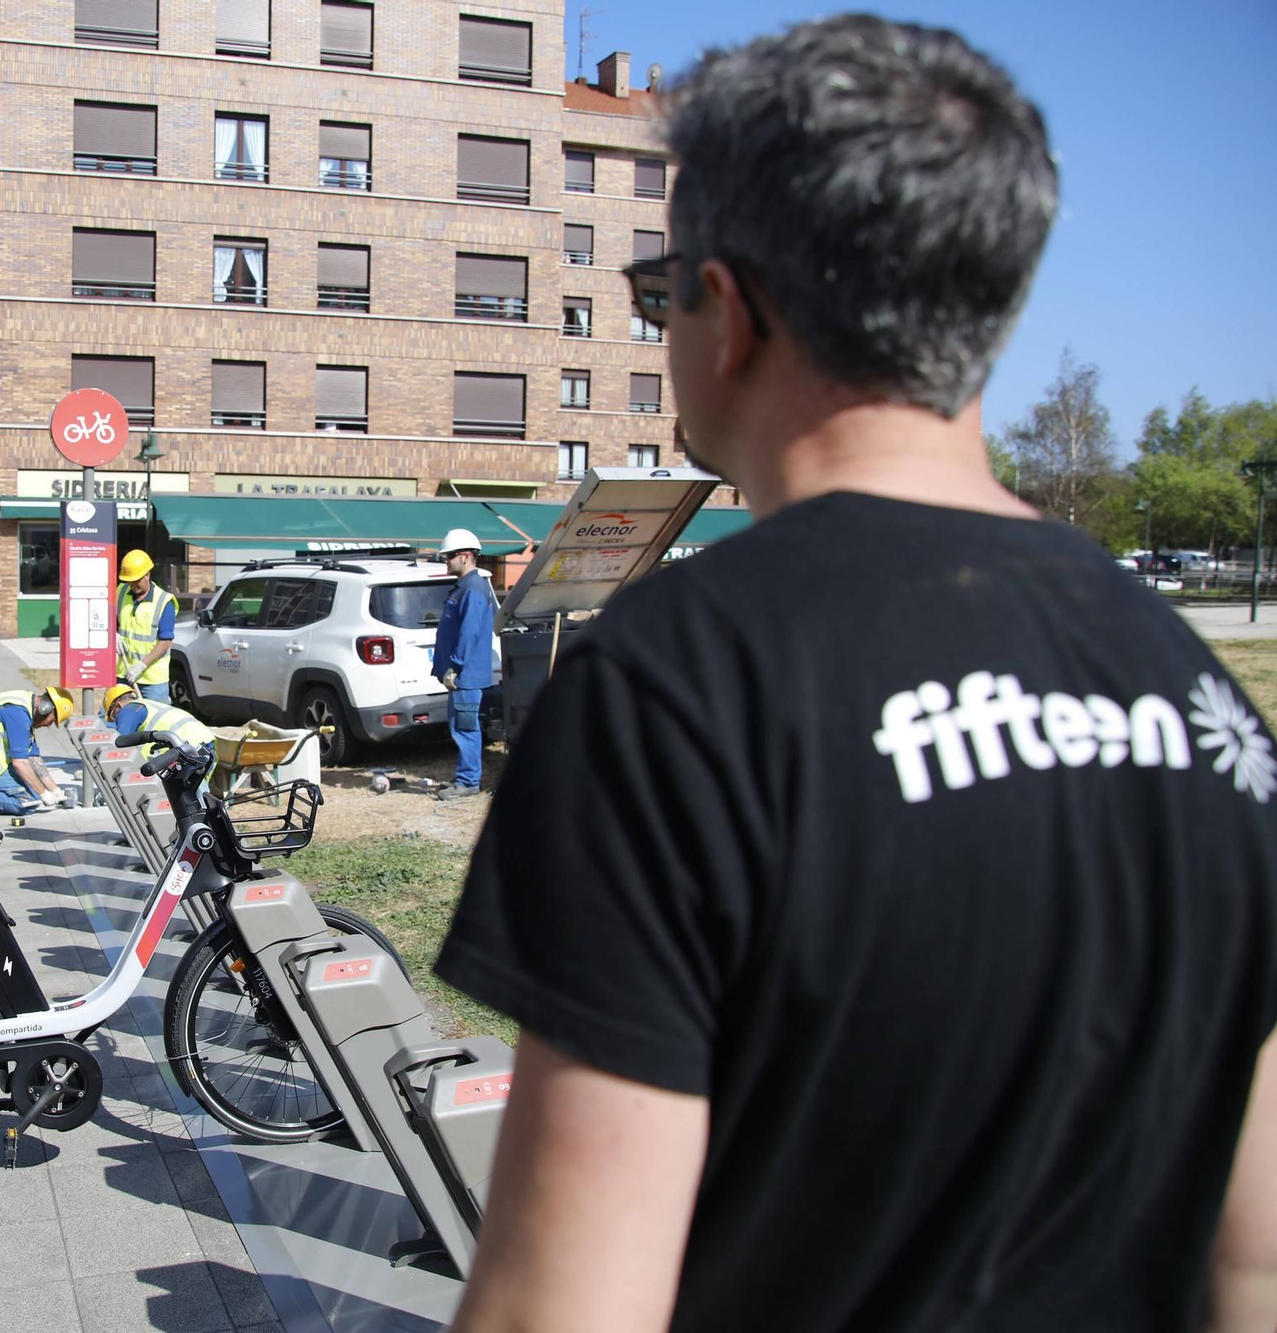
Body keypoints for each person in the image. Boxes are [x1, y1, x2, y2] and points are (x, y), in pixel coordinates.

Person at [439, 17, 1277, 1332]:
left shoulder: (677, 685)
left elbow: (565, 1304)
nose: (663, 327)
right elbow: (1257, 1257)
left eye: (664, 294)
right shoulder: (1202, 699)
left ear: (741, 311)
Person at [431, 528, 495, 801]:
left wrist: (455, 666)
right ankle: (464, 778)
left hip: (465, 676)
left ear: (466, 556)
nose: (446, 562)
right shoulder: (465, 587)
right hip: (461, 675)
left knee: (466, 728)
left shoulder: (473, 589)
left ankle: (468, 782)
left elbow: (469, 633)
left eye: (449, 557)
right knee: (461, 727)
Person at [0, 686, 74, 816]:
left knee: (34, 787)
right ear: (44, 709)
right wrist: (44, 794)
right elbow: (20, 763)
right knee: (30, 802)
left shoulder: (26, 707)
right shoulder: (17, 714)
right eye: (52, 720)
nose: (48, 725)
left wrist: (55, 791)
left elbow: (33, 757)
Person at [115, 551, 177, 701]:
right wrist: (112, 633)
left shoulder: (164, 601)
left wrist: (142, 665)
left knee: (154, 722)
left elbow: (165, 642)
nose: (132, 584)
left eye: (136, 580)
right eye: (129, 580)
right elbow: (108, 618)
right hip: (124, 673)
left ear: (147, 575)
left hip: (152, 681)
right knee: (116, 720)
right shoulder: (121, 591)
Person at [104, 683, 214, 759]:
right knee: (196, 792)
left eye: (114, 716)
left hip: (187, 746)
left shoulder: (127, 710)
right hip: (206, 741)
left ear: (118, 705)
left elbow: (120, 747)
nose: (117, 720)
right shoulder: (148, 704)